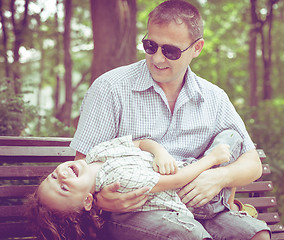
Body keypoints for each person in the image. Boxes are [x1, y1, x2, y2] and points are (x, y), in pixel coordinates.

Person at [70, 0, 271, 239]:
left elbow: (252, 163)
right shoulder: (110, 88)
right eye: (150, 45)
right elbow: (83, 166)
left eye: (171, 51)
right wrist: (101, 200)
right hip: (132, 212)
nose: (157, 58)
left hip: (199, 208)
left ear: (197, 48)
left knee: (256, 234)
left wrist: (219, 178)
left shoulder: (214, 98)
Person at [27, 135, 231, 240]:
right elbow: (177, 181)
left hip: (196, 174)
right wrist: (212, 159)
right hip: (202, 199)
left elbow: (141, 143)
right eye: (64, 188)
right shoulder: (119, 182)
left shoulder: (97, 152)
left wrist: (159, 152)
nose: (62, 176)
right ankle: (229, 202)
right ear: (88, 200)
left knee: (230, 138)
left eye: (53, 177)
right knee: (230, 140)